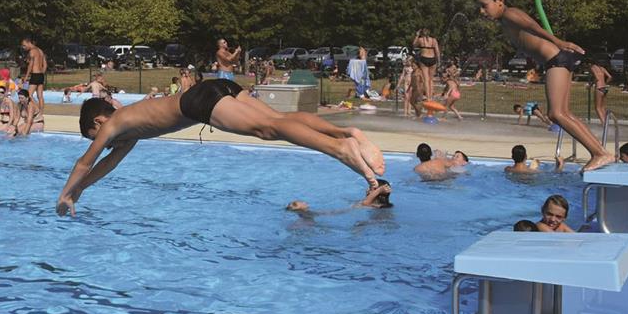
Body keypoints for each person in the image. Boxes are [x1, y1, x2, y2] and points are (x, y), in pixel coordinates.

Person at [55, 79, 387, 217]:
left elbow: (87, 162)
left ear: (98, 122)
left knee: (268, 128)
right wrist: (82, 190)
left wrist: (68, 192)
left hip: (199, 102)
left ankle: (339, 148)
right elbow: (108, 165)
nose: (100, 141)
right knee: (277, 119)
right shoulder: (128, 129)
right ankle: (347, 132)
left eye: (93, 135)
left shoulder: (114, 124)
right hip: (214, 87)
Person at [475, 0, 613, 171]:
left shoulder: (509, 13)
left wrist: (559, 42)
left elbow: (533, 26)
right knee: (562, 114)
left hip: (556, 58)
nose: (482, 11)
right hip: (556, 60)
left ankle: (600, 153)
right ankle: (600, 152)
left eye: (484, 6)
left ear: (500, 1)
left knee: (556, 113)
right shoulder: (504, 20)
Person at [21, 38, 48, 114]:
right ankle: (41, 112)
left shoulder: (32, 51)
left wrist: (26, 76)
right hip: (40, 75)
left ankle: (37, 109)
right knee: (40, 96)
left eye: (24, 45)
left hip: (35, 75)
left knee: (29, 95)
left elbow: (30, 65)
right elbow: (45, 65)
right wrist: (42, 73)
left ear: (28, 43)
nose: (24, 47)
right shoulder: (40, 51)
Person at [413, 29, 440, 100]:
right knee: (431, 80)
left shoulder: (420, 40)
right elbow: (437, 51)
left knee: (426, 79)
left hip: (424, 58)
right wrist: (439, 61)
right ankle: (431, 96)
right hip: (433, 59)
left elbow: (414, 45)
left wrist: (417, 35)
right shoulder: (434, 40)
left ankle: (428, 98)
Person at [587, 57, 612, 125]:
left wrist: (590, 85)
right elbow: (610, 77)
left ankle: (604, 124)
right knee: (602, 107)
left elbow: (597, 78)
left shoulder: (592, 68)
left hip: (599, 88)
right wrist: (605, 83)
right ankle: (607, 124)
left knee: (597, 108)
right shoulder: (602, 68)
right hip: (604, 88)